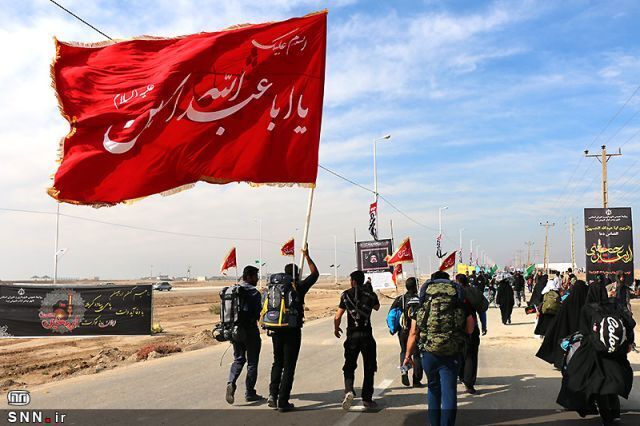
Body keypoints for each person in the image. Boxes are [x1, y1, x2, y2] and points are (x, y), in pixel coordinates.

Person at [557, 282, 635, 425]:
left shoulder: (587, 309)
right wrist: (629, 343)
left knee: (598, 385)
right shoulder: (615, 306)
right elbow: (629, 323)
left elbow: (584, 331)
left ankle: (607, 418)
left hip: (594, 353)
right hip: (616, 353)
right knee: (611, 383)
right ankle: (615, 415)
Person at [404, 271, 474, 426]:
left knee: (433, 389)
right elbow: (470, 329)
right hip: (452, 351)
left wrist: (408, 355)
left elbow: (413, 332)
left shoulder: (423, 300)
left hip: (429, 353)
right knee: (449, 392)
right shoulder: (458, 299)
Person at [267, 247, 319, 412]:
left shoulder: (277, 288)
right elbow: (315, 274)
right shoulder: (299, 287)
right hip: (292, 330)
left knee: (277, 362)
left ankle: (272, 396)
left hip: (275, 328)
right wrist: (308, 256)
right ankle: (283, 401)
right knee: (289, 365)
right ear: (297, 274)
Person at [334, 270, 380, 410]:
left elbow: (338, 316)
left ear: (353, 281)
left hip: (352, 336)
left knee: (349, 365)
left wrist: (336, 328)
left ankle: (348, 390)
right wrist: (369, 290)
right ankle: (367, 399)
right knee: (369, 367)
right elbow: (377, 307)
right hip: (366, 335)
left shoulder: (345, 295)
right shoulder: (370, 295)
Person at [226, 266, 263, 404]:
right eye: (255, 276)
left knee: (239, 359)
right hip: (250, 331)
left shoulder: (233, 290)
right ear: (248, 276)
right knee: (252, 362)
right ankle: (250, 393)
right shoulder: (254, 292)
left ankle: (231, 381)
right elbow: (258, 313)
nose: (257, 279)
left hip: (235, 331)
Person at [536, 279, 589, 369]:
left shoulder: (567, 302)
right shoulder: (587, 304)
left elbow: (558, 320)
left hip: (565, 331)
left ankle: (562, 361)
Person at [456, 273, 488, 395]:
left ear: (458, 281)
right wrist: (484, 326)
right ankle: (469, 383)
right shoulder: (474, 292)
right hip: (472, 328)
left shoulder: (454, 293)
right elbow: (482, 311)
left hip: (457, 329)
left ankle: (461, 376)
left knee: (459, 354)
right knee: (471, 356)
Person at [389, 277, 423, 387]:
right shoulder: (421, 299)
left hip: (403, 330)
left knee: (404, 351)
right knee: (417, 354)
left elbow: (391, 314)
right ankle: (416, 380)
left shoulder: (400, 299)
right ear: (416, 287)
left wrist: (393, 328)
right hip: (417, 331)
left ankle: (404, 372)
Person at [534, 271, 561, 337]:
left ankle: (542, 333)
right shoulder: (556, 291)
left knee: (543, 321)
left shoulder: (545, 290)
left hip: (545, 310)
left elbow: (540, 300)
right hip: (554, 310)